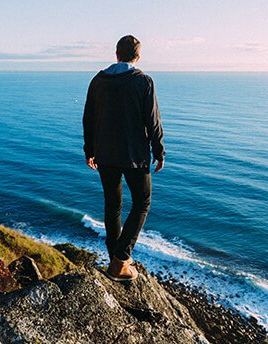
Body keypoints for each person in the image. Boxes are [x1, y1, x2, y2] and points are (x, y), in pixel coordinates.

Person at [83, 35, 165, 281]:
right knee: (142, 202)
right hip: (134, 155)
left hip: (105, 154)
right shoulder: (143, 81)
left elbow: (88, 118)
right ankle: (120, 258)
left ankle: (115, 258)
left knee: (113, 205)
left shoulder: (98, 80)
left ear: (116, 54)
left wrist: (89, 150)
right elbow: (153, 121)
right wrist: (159, 151)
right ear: (137, 57)